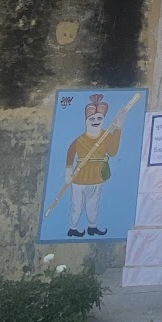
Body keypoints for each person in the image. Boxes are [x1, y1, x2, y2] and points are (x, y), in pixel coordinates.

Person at [65, 93, 121, 237]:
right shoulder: (80, 139)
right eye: (92, 118)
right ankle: (72, 228)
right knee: (77, 205)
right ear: (87, 121)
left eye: (99, 118)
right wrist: (68, 170)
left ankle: (92, 227)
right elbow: (71, 152)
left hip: (97, 177)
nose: (96, 121)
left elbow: (113, 152)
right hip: (79, 178)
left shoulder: (106, 136)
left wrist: (118, 127)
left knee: (93, 205)